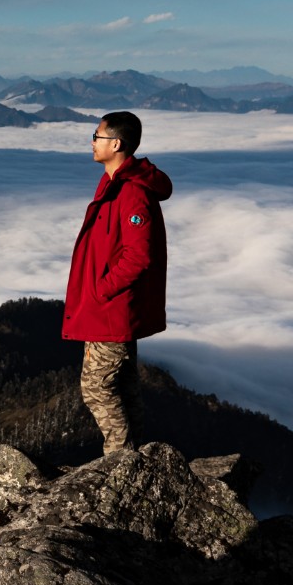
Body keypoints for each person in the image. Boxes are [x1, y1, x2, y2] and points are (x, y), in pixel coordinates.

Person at [62, 110, 172, 451]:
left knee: (97, 387)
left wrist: (101, 291)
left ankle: (120, 460)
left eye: (96, 136)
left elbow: (139, 257)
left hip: (112, 309)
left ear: (116, 143)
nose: (92, 142)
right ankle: (133, 459)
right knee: (123, 386)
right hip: (109, 308)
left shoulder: (132, 194)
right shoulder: (114, 183)